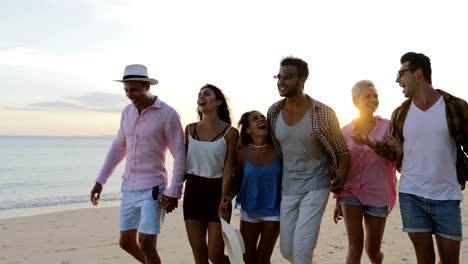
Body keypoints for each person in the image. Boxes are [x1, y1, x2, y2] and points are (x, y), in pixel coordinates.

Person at [374, 52, 467, 264]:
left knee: (450, 260)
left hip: (447, 196)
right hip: (411, 194)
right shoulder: (400, 113)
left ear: (418, 73)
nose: (397, 81)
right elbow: (395, 156)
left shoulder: (455, 106)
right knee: (424, 258)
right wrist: (384, 147)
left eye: (401, 74)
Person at [89, 64, 186, 264]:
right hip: (129, 187)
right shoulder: (126, 113)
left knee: (146, 242)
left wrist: (174, 190)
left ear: (146, 86)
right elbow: (118, 148)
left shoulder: (167, 114)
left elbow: (180, 154)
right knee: (125, 242)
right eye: (126, 90)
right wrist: (100, 180)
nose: (129, 95)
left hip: (153, 187)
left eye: (134, 90)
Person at [267, 56, 351, 264]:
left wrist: (340, 178)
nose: (281, 81)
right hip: (288, 188)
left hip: (317, 185)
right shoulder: (274, 112)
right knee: (288, 250)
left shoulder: (323, 113)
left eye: (287, 77)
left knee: (303, 249)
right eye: (279, 76)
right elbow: (271, 150)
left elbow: (343, 152)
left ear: (302, 79)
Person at [332, 80, 397, 264]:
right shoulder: (345, 131)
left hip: (378, 192)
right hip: (350, 192)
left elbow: (394, 155)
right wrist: (338, 198)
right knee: (355, 248)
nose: (373, 99)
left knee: (372, 250)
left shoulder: (388, 126)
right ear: (356, 101)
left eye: (375, 96)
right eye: (367, 96)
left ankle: (378, 260)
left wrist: (371, 142)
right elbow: (341, 166)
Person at [183, 84, 239, 264]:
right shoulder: (189, 129)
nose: (201, 97)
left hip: (217, 192)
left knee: (215, 255)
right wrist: (171, 190)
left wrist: (225, 197)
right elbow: (182, 165)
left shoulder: (230, 133)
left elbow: (229, 168)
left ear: (219, 101)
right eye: (199, 94)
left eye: (206, 94)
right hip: (193, 191)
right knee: (199, 254)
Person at [228, 110, 281, 264]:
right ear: (248, 130)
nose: (261, 119)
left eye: (262, 117)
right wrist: (227, 197)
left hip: (274, 210)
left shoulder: (279, 150)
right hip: (249, 209)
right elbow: (236, 181)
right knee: (248, 257)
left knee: (263, 258)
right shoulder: (241, 154)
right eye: (255, 118)